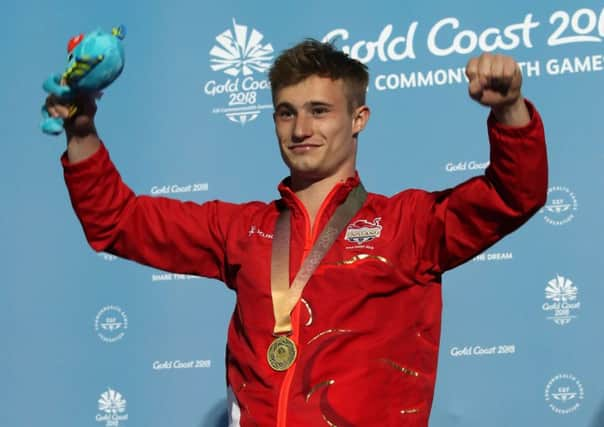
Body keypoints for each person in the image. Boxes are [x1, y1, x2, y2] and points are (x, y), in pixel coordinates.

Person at [46, 39, 547, 426]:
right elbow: (118, 221)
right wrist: (82, 131)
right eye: (286, 112)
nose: (300, 127)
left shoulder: (407, 225)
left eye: (319, 110)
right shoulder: (241, 230)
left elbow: (514, 194)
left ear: (359, 119)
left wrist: (509, 110)